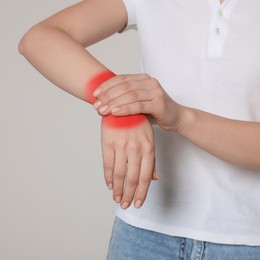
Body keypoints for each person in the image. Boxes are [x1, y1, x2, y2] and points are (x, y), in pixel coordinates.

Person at [18, 0, 260, 259]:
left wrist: (179, 118)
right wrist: (122, 107)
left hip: (248, 240)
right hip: (142, 236)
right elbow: (39, 39)